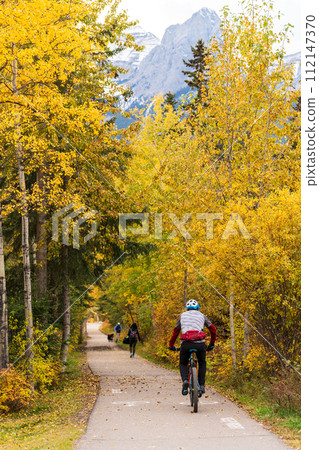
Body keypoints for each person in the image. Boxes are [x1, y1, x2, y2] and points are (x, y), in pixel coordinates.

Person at [168, 299, 216, 396]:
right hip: (200, 344)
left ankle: (185, 380)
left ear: (187, 308)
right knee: (202, 362)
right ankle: (202, 385)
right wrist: (211, 343)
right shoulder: (202, 315)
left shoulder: (182, 316)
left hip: (186, 344)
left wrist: (171, 345)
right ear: (197, 308)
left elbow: (175, 332)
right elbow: (213, 329)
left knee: (182, 363)